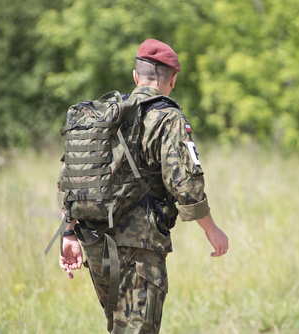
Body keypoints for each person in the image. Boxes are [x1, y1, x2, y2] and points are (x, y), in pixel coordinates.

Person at [58, 38, 229, 333]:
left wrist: (69, 232)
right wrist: (211, 229)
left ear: (136, 76)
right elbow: (185, 185)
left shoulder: (105, 114)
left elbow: (73, 176)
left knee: (119, 328)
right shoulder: (167, 117)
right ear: (172, 80)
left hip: (95, 243)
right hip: (139, 249)